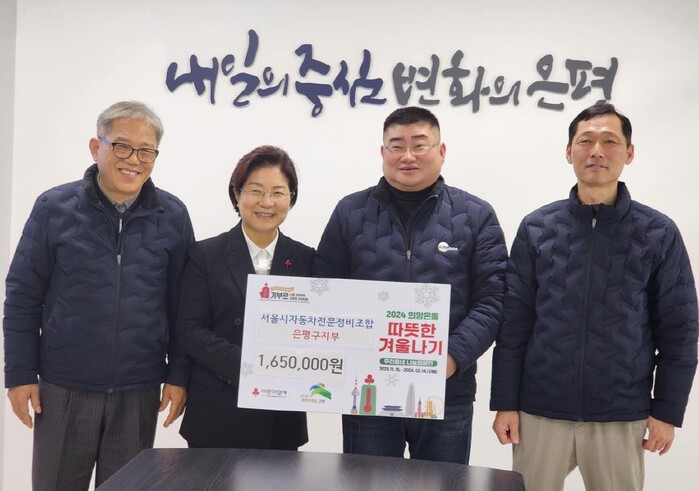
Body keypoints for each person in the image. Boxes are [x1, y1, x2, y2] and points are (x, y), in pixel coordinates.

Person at [490, 103, 698, 490]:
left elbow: (680, 330)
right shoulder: (537, 228)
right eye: (585, 141)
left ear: (629, 153)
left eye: (610, 142)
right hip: (541, 410)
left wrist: (667, 411)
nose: (597, 151)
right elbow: (514, 323)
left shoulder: (658, 233)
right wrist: (505, 402)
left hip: (620, 412)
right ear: (569, 152)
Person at [3, 100, 195, 489]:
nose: (133, 160)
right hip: (63, 386)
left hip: (138, 389)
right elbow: (23, 294)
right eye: (122, 146)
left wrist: (178, 374)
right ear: (96, 147)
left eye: (146, 151)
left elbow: (183, 304)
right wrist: (19, 373)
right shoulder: (54, 208)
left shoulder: (172, 215)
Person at [314, 106, 507, 464]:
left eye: (419, 145)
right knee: (367, 483)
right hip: (366, 389)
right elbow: (324, 290)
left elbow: (493, 299)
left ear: (441, 151)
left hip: (446, 389)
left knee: (442, 484)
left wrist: (452, 357)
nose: (408, 156)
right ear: (382, 152)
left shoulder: (475, 215)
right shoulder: (350, 212)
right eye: (396, 146)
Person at [177, 145, 313, 450]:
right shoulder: (205, 254)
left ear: (291, 198)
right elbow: (190, 329)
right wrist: (251, 365)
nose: (267, 202)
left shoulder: (306, 259)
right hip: (217, 408)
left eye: (278, 192)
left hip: (281, 416)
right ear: (236, 194)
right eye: (256, 190)